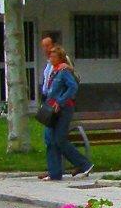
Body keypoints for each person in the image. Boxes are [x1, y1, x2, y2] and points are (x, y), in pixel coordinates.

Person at [39, 48, 95, 181]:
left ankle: (84, 164)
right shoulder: (53, 71)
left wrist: (60, 101)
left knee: (59, 139)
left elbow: (73, 87)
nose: (51, 59)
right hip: (51, 108)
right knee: (49, 139)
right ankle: (55, 173)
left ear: (60, 58)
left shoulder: (64, 72)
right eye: (50, 56)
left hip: (63, 109)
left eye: (54, 57)